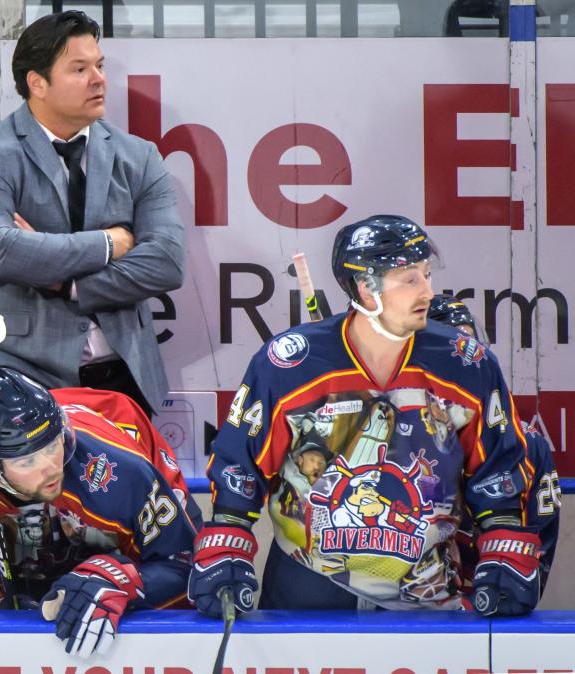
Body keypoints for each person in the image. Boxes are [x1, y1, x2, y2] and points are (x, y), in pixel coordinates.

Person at [188, 214, 541, 615]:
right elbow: (241, 462)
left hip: (424, 593)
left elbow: (497, 467)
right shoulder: (290, 363)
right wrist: (228, 535)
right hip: (306, 587)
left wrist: (504, 538)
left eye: (426, 274)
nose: (428, 289)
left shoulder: (466, 363)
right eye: (410, 278)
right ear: (365, 287)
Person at [0, 10, 185, 416]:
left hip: (125, 375)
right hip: (15, 371)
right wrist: (111, 242)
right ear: (36, 83)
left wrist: (67, 284)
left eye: (99, 65)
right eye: (79, 69)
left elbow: (167, 262)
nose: (98, 79)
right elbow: (4, 251)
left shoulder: (139, 156)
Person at [0, 368, 197, 657]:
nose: (50, 467)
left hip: (130, 514)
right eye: (27, 462)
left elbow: (185, 566)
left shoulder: (121, 473)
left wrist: (124, 582)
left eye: (52, 446)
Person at [428, 293, 560, 603]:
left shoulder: (529, 446)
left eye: (470, 354)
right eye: (451, 359)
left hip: (487, 611)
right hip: (400, 617)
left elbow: (537, 554)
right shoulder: (389, 437)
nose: (465, 370)